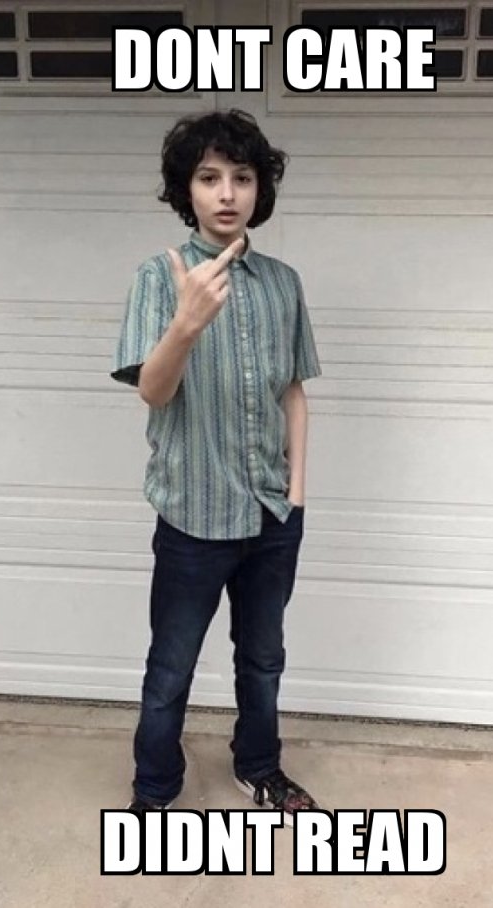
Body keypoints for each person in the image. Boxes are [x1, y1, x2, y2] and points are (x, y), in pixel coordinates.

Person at [110, 109, 322, 824]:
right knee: (170, 669)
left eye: (242, 177)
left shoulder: (283, 282)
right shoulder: (158, 277)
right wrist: (187, 322)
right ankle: (154, 790)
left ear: (260, 189)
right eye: (209, 177)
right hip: (193, 518)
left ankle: (259, 768)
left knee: (262, 661)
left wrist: (296, 493)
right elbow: (153, 390)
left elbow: (293, 391)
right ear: (187, 190)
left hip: (271, 514)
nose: (227, 193)